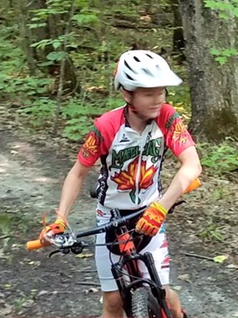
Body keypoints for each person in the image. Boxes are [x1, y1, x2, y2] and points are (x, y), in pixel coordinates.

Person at [39, 50, 202, 318]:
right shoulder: (106, 126)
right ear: (127, 94)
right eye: (149, 93)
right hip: (111, 217)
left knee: (164, 294)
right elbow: (77, 173)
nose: (158, 99)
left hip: (150, 212)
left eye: (161, 91)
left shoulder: (168, 117)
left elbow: (192, 165)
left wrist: (160, 208)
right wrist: (61, 219)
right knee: (113, 302)